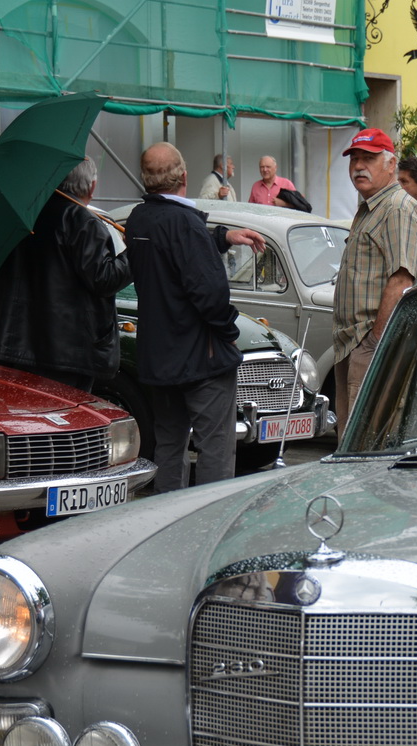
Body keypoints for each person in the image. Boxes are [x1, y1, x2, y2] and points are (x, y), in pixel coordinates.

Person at [126, 142, 268, 491]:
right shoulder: (184, 223)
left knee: (169, 445)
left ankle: (170, 515)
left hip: (160, 357)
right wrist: (228, 332)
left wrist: (221, 237)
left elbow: (171, 247)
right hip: (200, 357)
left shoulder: (139, 218)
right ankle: (208, 519)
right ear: (185, 177)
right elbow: (210, 293)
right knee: (214, 449)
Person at [0, 157, 130, 394]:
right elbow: (104, 279)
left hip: (14, 343)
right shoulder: (82, 222)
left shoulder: (20, 217)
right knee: (64, 414)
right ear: (92, 186)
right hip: (67, 352)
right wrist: (133, 253)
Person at [331, 128, 417, 422]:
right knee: (352, 437)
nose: (359, 166)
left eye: (369, 159)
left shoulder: (397, 208)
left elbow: (401, 282)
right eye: (354, 159)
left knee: (368, 438)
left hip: (373, 345)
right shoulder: (371, 207)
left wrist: (376, 343)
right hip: (355, 343)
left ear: (391, 164)